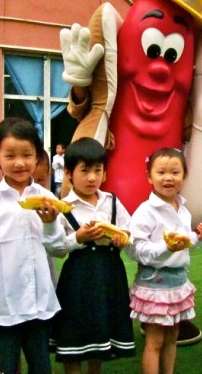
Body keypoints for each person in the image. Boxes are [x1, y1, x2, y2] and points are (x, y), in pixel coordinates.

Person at [0, 117, 69, 374]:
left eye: (27, 155)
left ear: (38, 157)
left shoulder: (47, 198)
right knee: (4, 368)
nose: (19, 163)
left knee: (40, 367)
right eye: (10, 156)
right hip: (2, 304)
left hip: (39, 302)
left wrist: (50, 224)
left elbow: (59, 249)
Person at [51, 137, 135, 373]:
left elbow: (129, 232)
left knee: (101, 329)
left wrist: (122, 239)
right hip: (77, 277)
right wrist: (78, 238)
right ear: (69, 173)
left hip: (110, 275)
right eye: (84, 171)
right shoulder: (64, 206)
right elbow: (57, 249)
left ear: (104, 173)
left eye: (97, 170)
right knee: (74, 331)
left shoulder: (112, 201)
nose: (91, 177)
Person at [127, 148, 202, 374]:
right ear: (149, 177)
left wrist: (198, 237)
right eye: (161, 172)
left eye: (175, 172)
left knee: (172, 338)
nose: (168, 178)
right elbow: (135, 249)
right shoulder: (145, 211)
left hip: (178, 282)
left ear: (184, 176)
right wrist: (166, 248)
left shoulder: (183, 210)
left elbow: (185, 246)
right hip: (154, 283)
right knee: (155, 341)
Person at [33, 150, 59, 288]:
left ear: (49, 175)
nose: (36, 186)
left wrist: (51, 222)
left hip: (45, 262)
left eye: (40, 180)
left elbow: (60, 244)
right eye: (30, 180)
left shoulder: (50, 199)